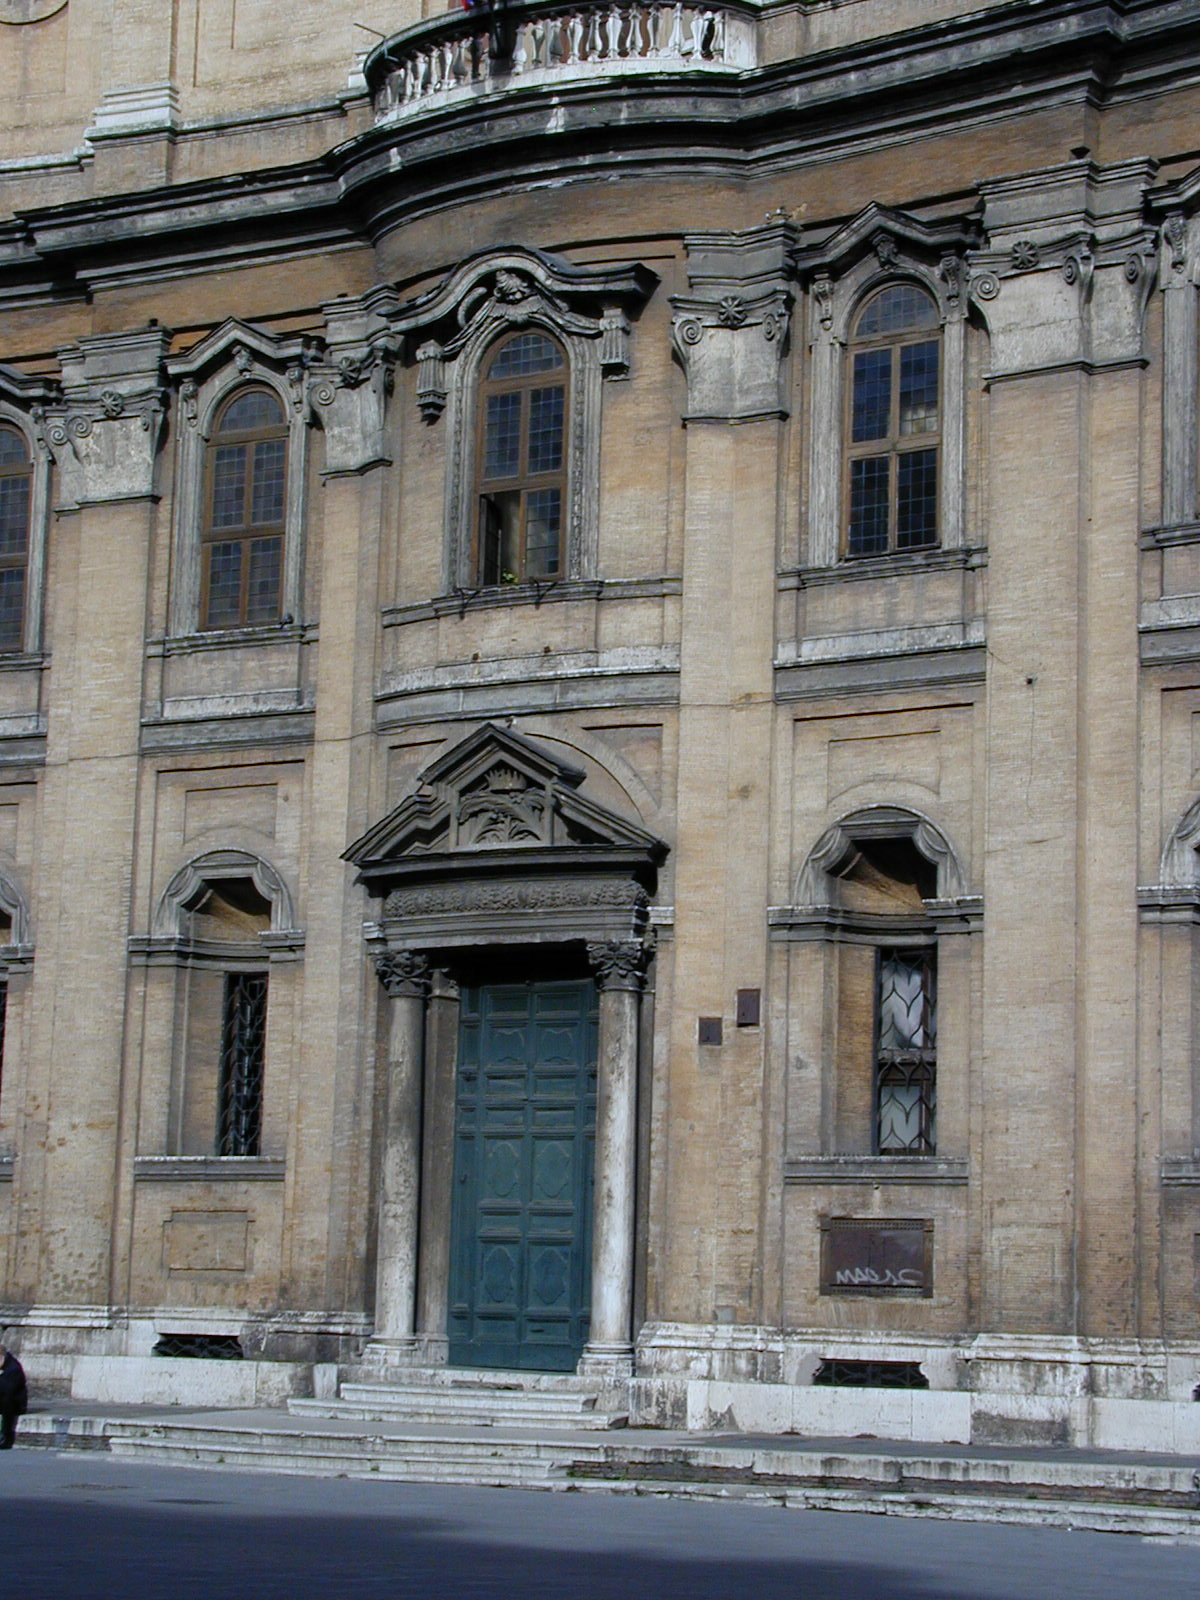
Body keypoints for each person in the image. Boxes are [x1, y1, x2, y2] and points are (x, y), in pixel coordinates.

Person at [0, 1333, 27, 1449]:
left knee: (7, 1402)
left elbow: (8, 1390)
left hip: (15, 1403)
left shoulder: (13, 1368)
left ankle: (6, 1437)